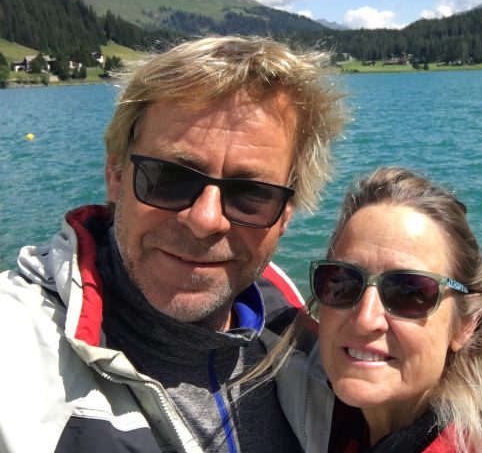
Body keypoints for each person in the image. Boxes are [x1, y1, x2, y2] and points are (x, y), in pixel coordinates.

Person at [0, 36, 346, 453]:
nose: (204, 221)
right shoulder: (15, 345)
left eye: (251, 194)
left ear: (284, 216)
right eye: (170, 178)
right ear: (115, 173)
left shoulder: (296, 332)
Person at [261, 167, 482, 452]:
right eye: (342, 281)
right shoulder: (355, 415)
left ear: (465, 325)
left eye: (409, 292)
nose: (366, 319)